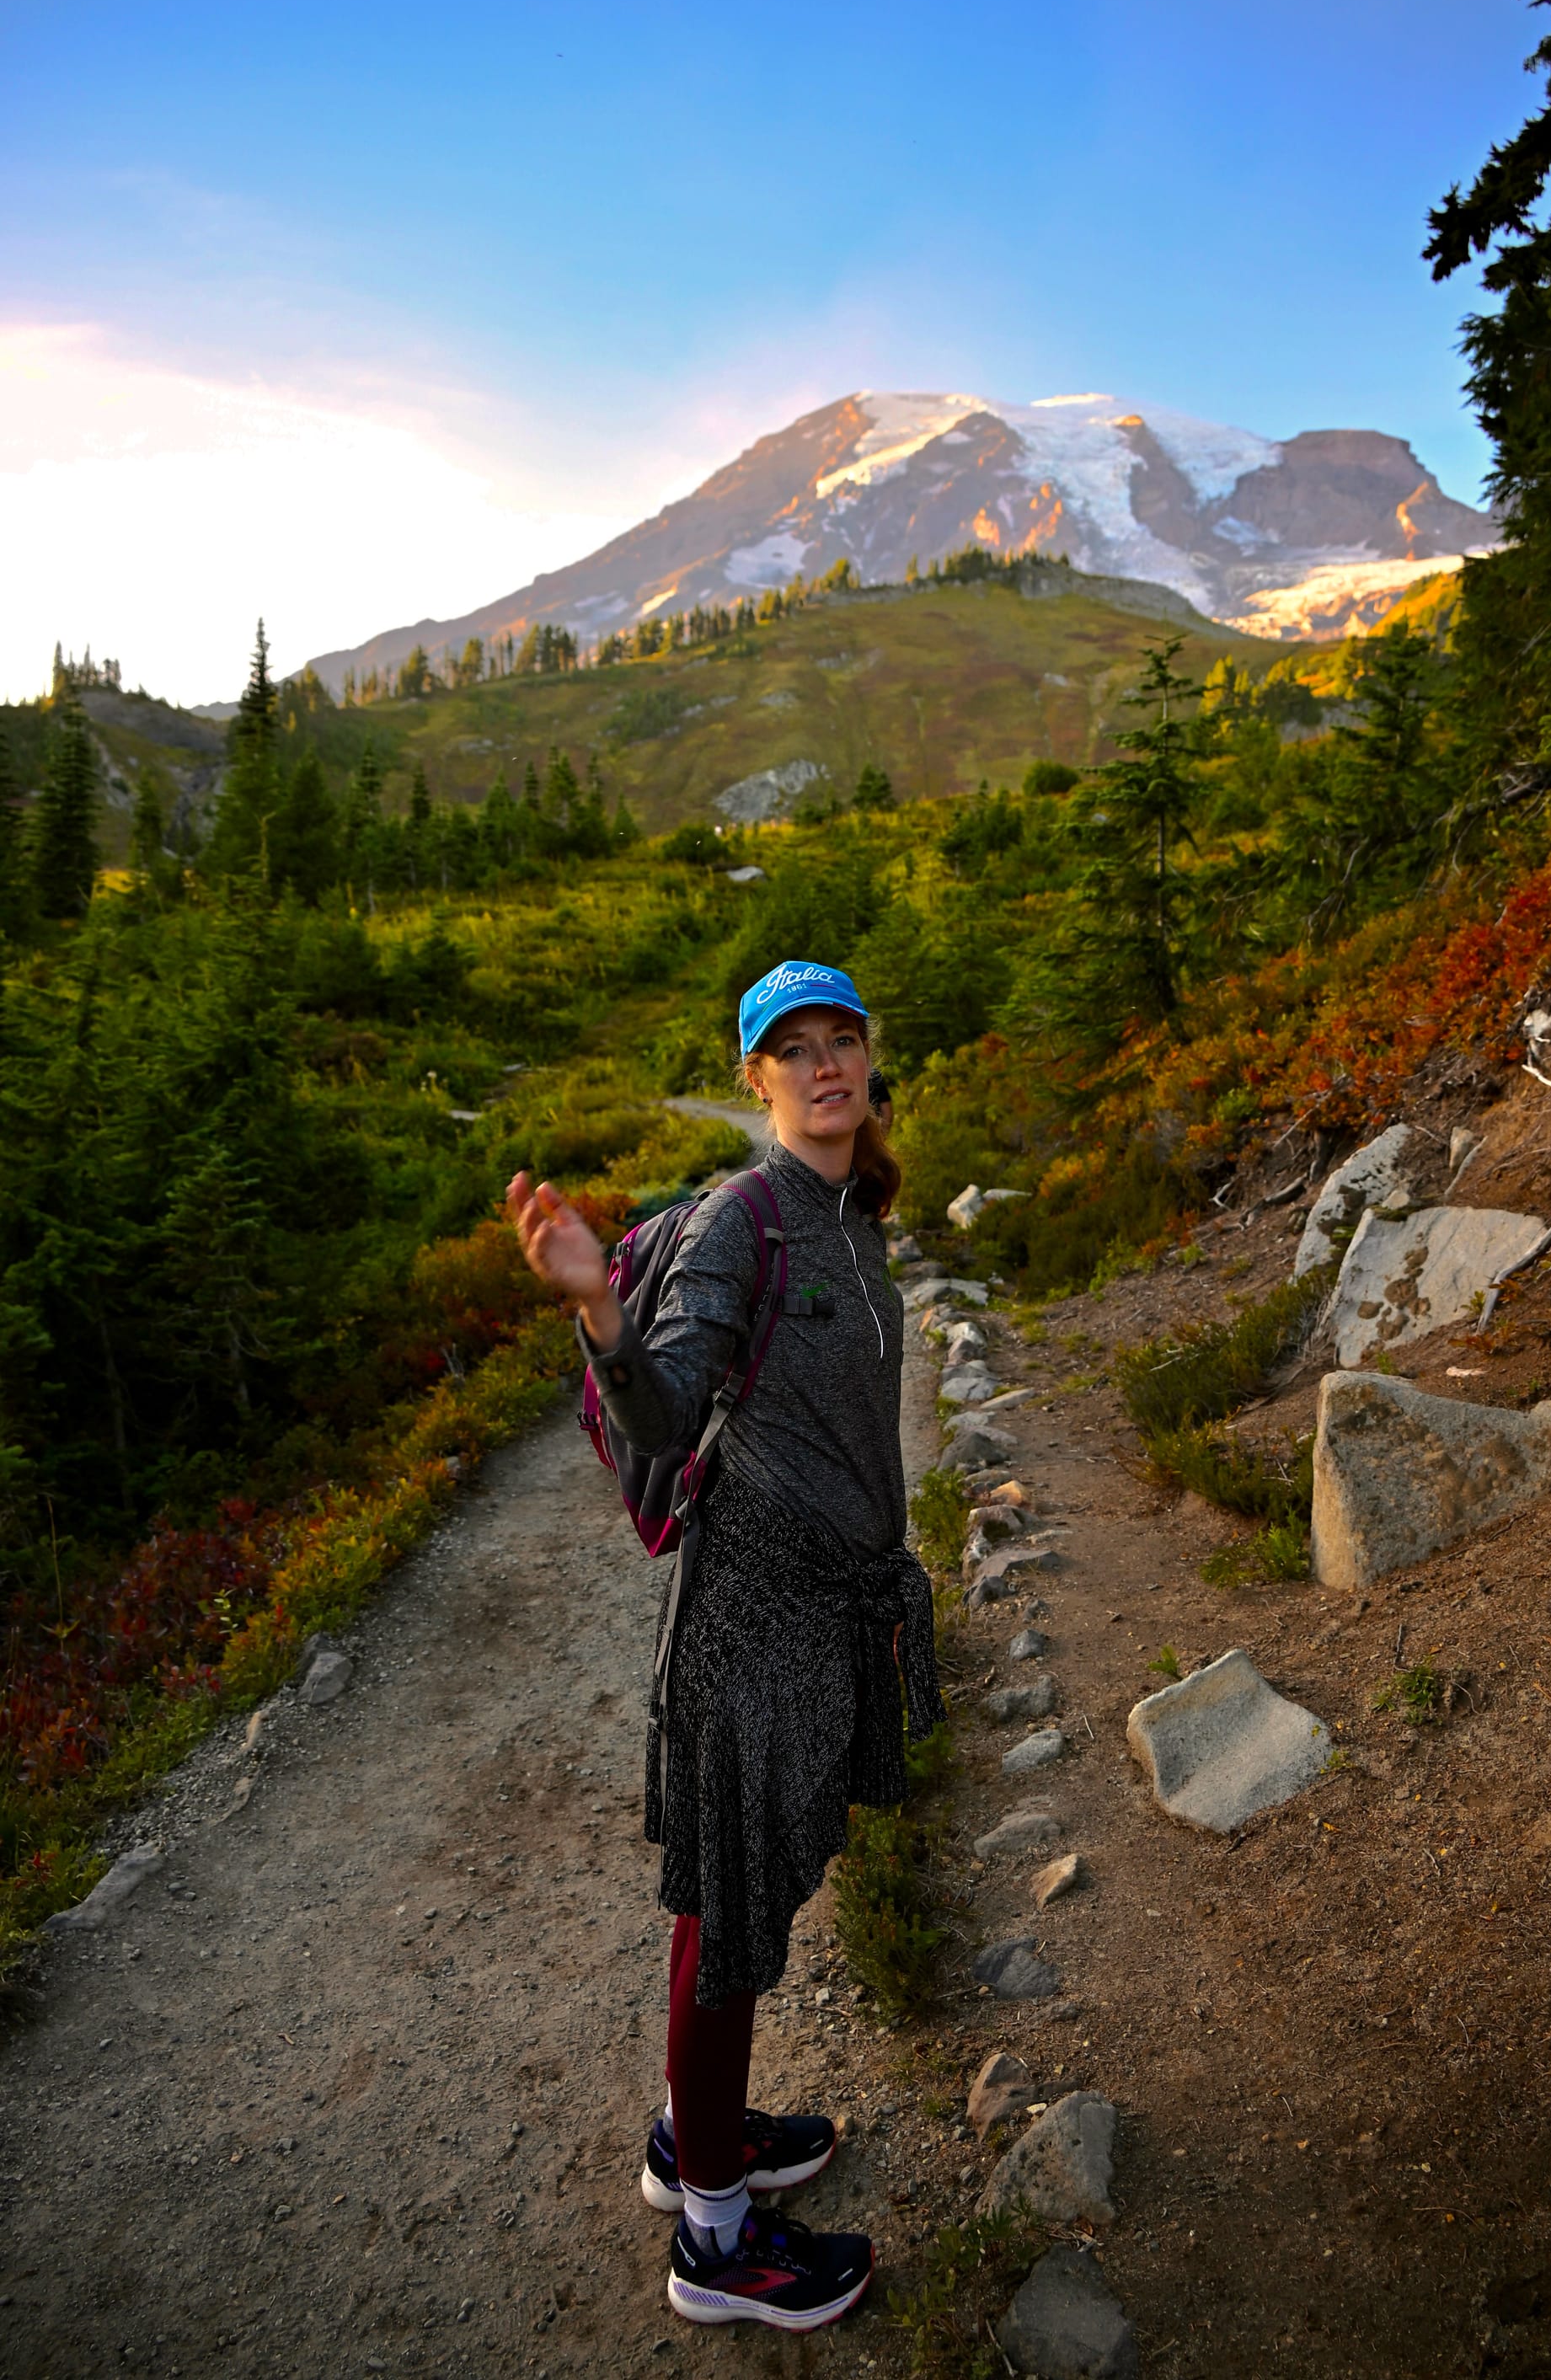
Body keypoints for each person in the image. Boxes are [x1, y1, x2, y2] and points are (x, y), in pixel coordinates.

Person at [506, 959, 941, 2335]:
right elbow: (664, 1407)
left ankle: (705, 2134)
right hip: (751, 1615)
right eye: (791, 1049)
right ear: (755, 1079)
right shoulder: (742, 1222)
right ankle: (714, 2240)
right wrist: (598, 1313)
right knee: (728, 1915)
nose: (824, 1066)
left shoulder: (853, 1211)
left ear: (868, 1064)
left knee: (744, 1903)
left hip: (826, 1609)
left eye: (842, 1041)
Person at [866, 1066, 894, 1138]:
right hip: (873, 1136)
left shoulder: (875, 1075)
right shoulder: (874, 1074)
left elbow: (887, 1113)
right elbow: (888, 1114)